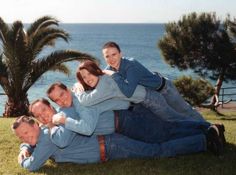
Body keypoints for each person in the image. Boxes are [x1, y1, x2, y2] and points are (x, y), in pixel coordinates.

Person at [13, 115, 213, 171]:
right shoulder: (46, 133)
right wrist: (25, 146)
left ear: (35, 125)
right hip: (109, 145)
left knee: (156, 151)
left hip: (111, 146)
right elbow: (33, 143)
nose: (25, 137)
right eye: (20, 137)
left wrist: (22, 159)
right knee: (159, 142)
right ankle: (205, 130)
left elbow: (33, 166)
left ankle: (204, 141)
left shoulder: (46, 139)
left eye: (25, 132)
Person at [102, 41, 204, 121]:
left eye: (114, 54)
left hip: (164, 89)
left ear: (120, 54)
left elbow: (128, 92)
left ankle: (208, 128)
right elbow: (101, 79)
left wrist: (114, 75)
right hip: (154, 96)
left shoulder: (130, 65)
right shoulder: (110, 68)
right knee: (174, 118)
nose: (111, 59)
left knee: (185, 111)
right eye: (107, 56)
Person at [75, 60, 192, 121]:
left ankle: (203, 130)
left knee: (174, 118)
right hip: (145, 99)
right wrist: (79, 83)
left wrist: (78, 91)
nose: (87, 79)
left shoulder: (104, 83)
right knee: (174, 118)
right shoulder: (103, 78)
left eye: (89, 74)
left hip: (150, 99)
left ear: (96, 71)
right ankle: (201, 129)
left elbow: (87, 101)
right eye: (84, 77)